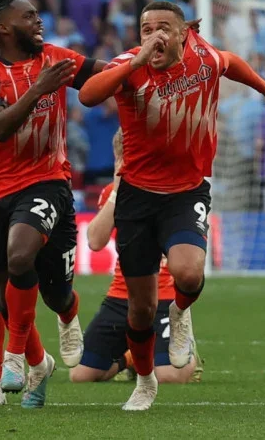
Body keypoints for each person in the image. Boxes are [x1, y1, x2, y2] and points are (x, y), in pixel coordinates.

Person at [79, 1, 265, 411]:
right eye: (145, 29)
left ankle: (179, 314)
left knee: (188, 274)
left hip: (186, 191)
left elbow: (231, 61)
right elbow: (88, 96)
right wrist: (135, 60)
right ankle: (144, 382)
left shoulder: (203, 58)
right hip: (138, 197)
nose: (154, 35)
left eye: (163, 28)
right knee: (140, 311)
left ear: (182, 34)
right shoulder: (128, 66)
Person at [0, 0, 99, 409]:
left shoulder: (54, 57)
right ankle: (37, 364)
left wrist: (145, 60)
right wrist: (38, 89)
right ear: (3, 28)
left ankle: (16, 354)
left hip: (45, 180)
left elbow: (103, 76)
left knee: (24, 265)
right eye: (28, 15)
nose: (39, 20)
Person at [72, 131, 201, 384]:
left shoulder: (177, 191)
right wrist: (118, 190)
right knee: (82, 375)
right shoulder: (114, 192)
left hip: (164, 297)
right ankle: (130, 358)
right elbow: (95, 241)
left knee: (168, 376)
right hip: (122, 296)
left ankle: (188, 351)